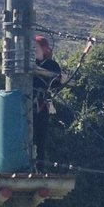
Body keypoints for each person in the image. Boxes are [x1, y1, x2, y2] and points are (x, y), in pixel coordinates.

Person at [33, 34, 63, 168]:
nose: (33, 50)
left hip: (42, 103)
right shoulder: (28, 63)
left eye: (36, 47)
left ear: (44, 49)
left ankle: (39, 166)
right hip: (27, 102)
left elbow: (57, 83)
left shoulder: (51, 65)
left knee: (40, 137)